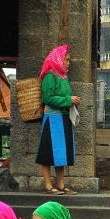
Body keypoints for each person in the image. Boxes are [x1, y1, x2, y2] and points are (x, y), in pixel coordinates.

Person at [36, 44, 80, 195]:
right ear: (58, 59)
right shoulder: (50, 76)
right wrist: (69, 99)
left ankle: (61, 185)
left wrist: (71, 101)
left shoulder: (64, 77)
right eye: (66, 60)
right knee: (47, 152)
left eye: (69, 60)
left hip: (63, 118)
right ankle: (48, 184)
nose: (68, 63)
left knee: (61, 152)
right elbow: (47, 98)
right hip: (52, 119)